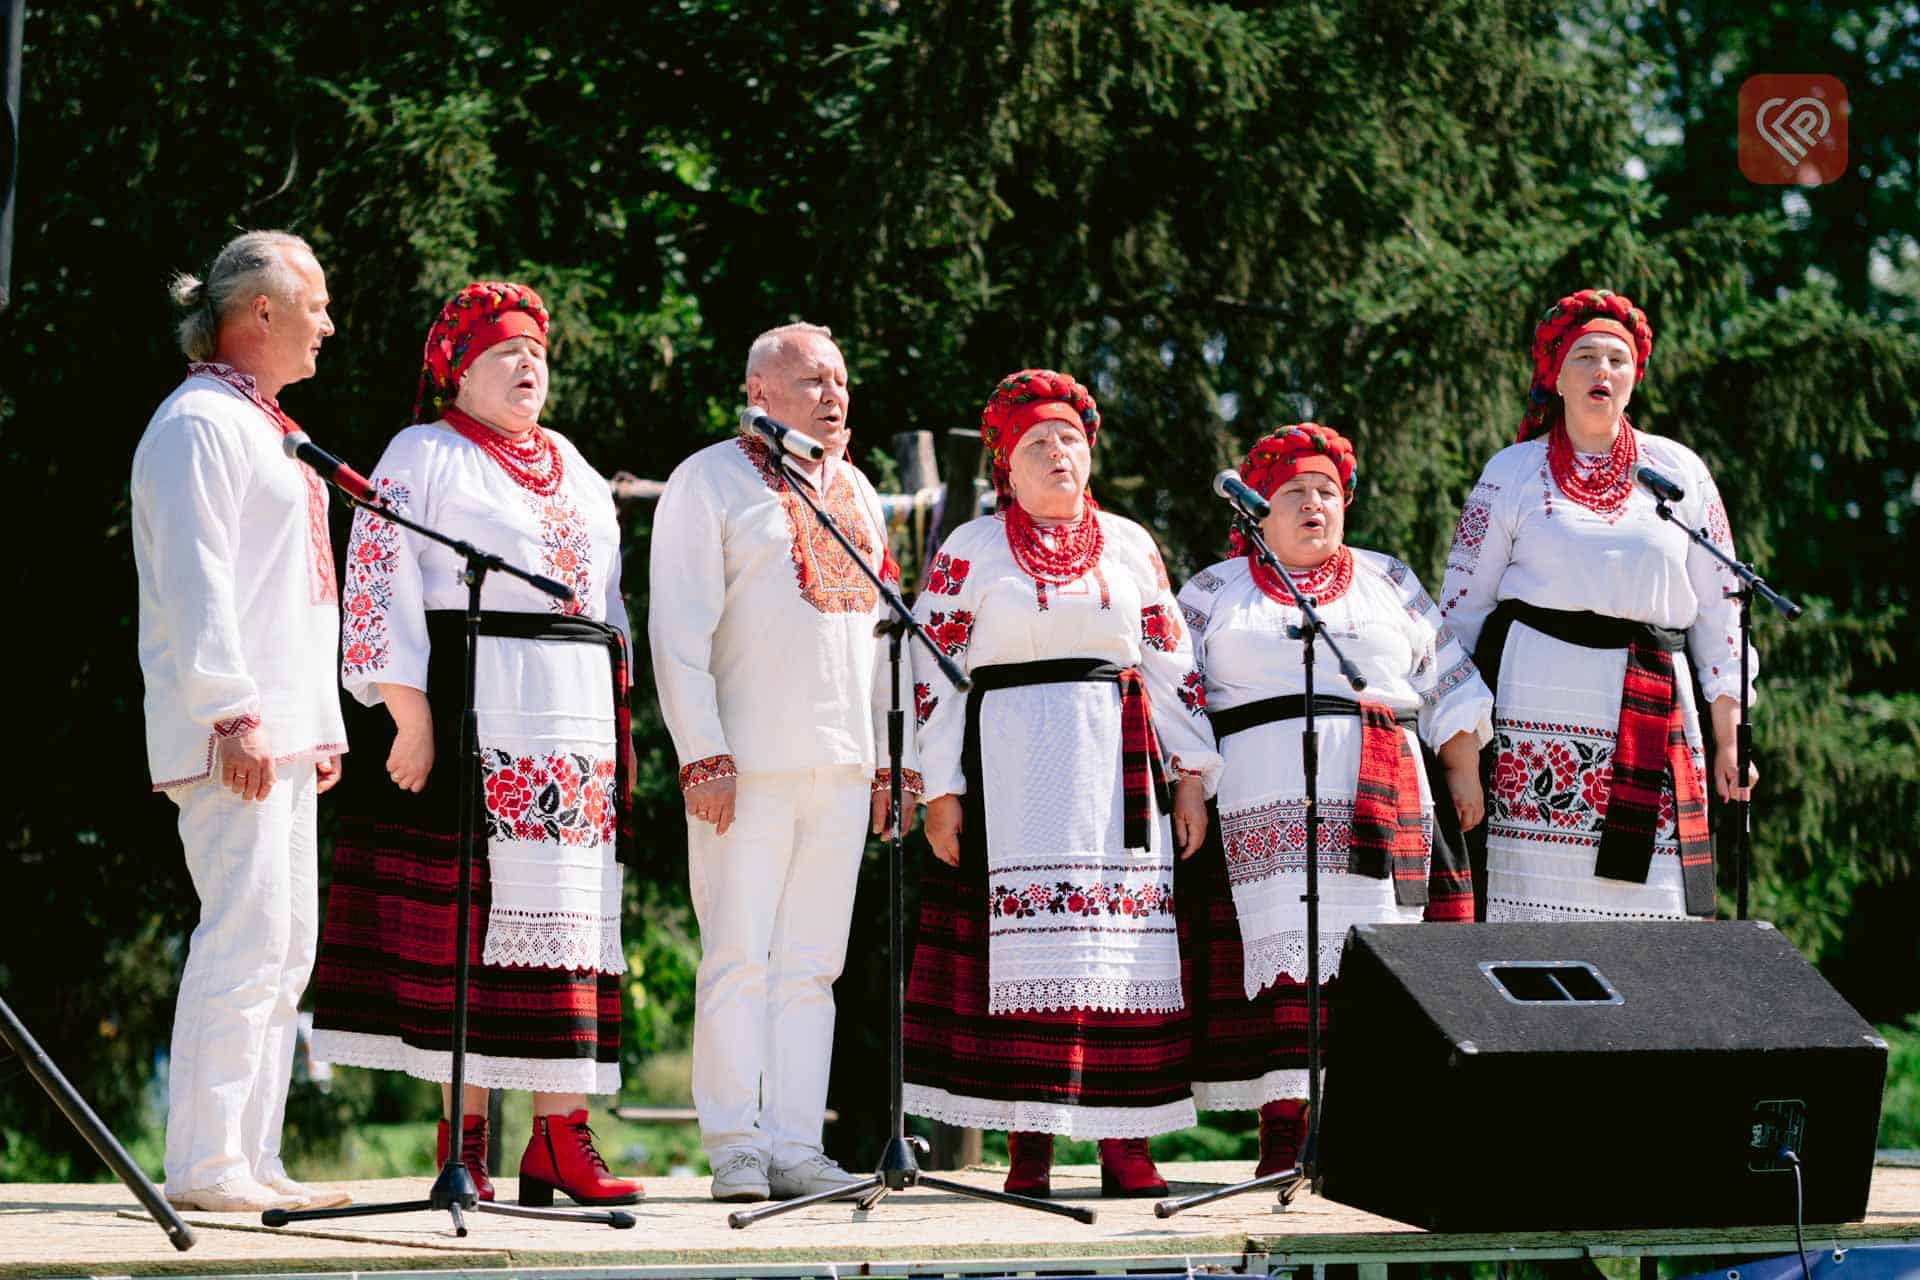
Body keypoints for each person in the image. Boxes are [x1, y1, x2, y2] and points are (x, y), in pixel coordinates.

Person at [309, 282, 642, 1207]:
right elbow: (378, 576)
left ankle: (563, 1137)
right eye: (506, 353)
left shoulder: (572, 462)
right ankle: (467, 1135)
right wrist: (406, 713)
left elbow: (608, 603)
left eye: (537, 352)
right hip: (472, 702)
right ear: (458, 369)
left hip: (571, 720)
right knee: (472, 930)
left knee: (569, 926)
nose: (529, 365)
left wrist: (619, 720)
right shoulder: (424, 453)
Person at [901, 369, 1220, 1199]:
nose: (1057, 453)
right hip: (1011, 765)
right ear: (1004, 463)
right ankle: (1030, 1149)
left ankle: (1126, 1147)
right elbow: (931, 674)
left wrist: (1191, 776)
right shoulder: (968, 549)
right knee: (1025, 955)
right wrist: (942, 788)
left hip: (1116, 767)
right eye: (1037, 442)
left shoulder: (1128, 543)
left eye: (1070, 440)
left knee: (1120, 955)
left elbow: (1171, 661)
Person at [1174, 423, 1489, 1178]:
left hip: (1380, 790)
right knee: (1280, 961)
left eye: (1327, 492)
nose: (1314, 503)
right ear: (1259, 508)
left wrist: (1464, 763)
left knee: (1370, 961)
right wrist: (1187, 779)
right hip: (1259, 800)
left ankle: (1366, 1133)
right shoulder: (1215, 589)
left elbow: (1442, 671)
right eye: (1293, 492)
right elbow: (1178, 692)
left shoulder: (1388, 578)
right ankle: (1281, 1135)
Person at [649, 322, 911, 1204]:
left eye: (840, 381)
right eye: (811, 382)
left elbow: (883, 644)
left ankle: (798, 1145)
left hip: (841, 768)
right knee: (737, 956)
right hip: (745, 766)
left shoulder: (861, 491)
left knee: (812, 966)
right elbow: (676, 633)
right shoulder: (707, 480)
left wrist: (890, 761)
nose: (834, 397)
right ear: (758, 392)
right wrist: (702, 753)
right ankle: (736, 1147)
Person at [132, 230, 350, 1213]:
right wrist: (233, 710)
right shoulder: (197, 424)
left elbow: (292, 597)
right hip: (237, 732)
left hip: (283, 729)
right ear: (260, 310)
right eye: (317, 304)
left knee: (285, 941)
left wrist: (320, 719)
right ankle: (206, 1163)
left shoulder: (264, 425)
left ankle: (248, 1156)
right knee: (245, 935)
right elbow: (196, 581)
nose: (329, 324)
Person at [1439, 288, 1757, 925]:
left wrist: (1731, 740)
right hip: (1532, 724)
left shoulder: (1678, 473)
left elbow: (1723, 616)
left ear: (1634, 379)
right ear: (1555, 376)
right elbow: (1457, 622)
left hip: (1652, 714)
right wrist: (1459, 754)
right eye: (1585, 357)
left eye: (1617, 358)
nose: (1602, 371)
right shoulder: (1512, 472)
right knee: (1530, 922)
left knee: (1654, 917)